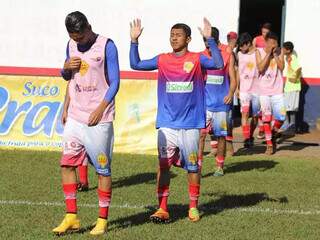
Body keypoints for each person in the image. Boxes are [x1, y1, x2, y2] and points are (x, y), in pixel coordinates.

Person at [130, 18, 223, 223]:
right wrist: (134, 41)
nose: (174, 37)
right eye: (172, 34)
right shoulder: (162, 59)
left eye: (178, 34)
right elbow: (135, 64)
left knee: (193, 167)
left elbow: (218, 63)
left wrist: (210, 40)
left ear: (188, 39)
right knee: (163, 166)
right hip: (166, 124)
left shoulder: (197, 59)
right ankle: (162, 208)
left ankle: (193, 207)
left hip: (190, 124)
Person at [53, 11, 120, 236]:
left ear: (89, 27)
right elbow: (67, 77)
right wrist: (65, 68)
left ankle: (102, 220)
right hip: (75, 115)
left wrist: (100, 109)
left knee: (102, 169)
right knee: (67, 164)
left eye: (80, 37)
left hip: (99, 118)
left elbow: (115, 82)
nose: (77, 41)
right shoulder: (70, 45)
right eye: (74, 37)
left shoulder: (106, 46)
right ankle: (71, 216)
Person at [198, 27, 237, 177]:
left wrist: (231, 93)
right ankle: (198, 167)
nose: (206, 45)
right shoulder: (201, 56)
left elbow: (233, 79)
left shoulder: (227, 54)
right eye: (204, 41)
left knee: (221, 135)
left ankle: (219, 166)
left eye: (208, 41)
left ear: (215, 40)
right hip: (205, 104)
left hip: (222, 104)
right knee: (201, 135)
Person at [256, 32, 286, 155]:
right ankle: (269, 145)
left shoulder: (280, 52)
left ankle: (272, 134)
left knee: (282, 117)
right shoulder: (259, 51)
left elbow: (282, 67)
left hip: (277, 90)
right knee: (266, 119)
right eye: (271, 42)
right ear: (266, 42)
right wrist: (268, 54)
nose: (273, 45)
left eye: (275, 43)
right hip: (264, 91)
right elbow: (260, 68)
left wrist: (275, 54)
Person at [237, 33, 261, 148]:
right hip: (244, 90)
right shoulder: (239, 54)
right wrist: (237, 87)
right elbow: (237, 72)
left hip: (257, 90)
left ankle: (250, 135)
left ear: (248, 43)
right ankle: (246, 138)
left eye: (242, 45)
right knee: (245, 114)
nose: (240, 48)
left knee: (255, 116)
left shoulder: (258, 53)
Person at [282, 41, 302, 134]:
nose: (282, 50)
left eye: (284, 48)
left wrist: (295, 79)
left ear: (288, 50)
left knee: (292, 109)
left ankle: (291, 127)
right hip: (288, 87)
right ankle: (287, 125)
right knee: (285, 107)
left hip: (293, 87)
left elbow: (299, 68)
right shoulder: (288, 57)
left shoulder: (293, 58)